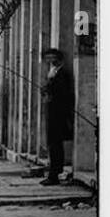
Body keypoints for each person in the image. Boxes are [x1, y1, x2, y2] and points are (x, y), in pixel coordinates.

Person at [40, 47, 75, 185]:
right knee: (52, 144)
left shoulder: (63, 73)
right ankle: (54, 172)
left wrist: (50, 91)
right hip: (52, 112)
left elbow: (64, 93)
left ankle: (54, 174)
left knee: (55, 144)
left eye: (52, 58)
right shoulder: (52, 73)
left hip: (58, 114)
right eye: (47, 59)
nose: (49, 61)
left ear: (58, 59)